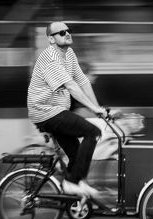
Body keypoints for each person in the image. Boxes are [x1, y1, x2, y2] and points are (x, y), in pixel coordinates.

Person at [27, 21, 107, 202]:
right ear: (51, 39)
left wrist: (97, 109)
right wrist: (94, 109)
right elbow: (71, 85)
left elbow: (83, 81)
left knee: (76, 154)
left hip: (57, 111)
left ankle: (77, 183)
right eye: (61, 32)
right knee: (92, 132)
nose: (67, 34)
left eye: (68, 31)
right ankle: (71, 182)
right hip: (45, 111)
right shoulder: (49, 58)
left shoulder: (69, 53)